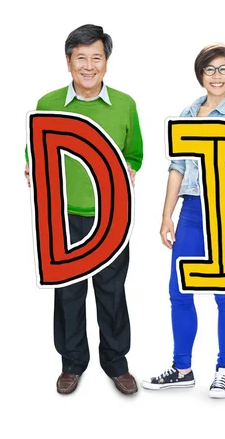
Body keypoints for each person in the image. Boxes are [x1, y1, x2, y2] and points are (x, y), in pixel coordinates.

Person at [25, 24, 143, 395]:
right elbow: (34, 148)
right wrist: (30, 164)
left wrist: (130, 168)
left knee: (111, 291)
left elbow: (135, 150)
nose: (89, 66)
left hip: (111, 216)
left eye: (97, 57)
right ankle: (72, 362)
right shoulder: (48, 103)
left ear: (106, 62)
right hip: (61, 217)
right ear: (68, 62)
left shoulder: (125, 104)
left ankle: (116, 362)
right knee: (69, 292)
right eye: (81, 58)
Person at [142, 43, 225, 398]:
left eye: (223, 69)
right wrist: (167, 216)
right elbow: (177, 168)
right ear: (200, 75)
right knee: (179, 291)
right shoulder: (188, 113)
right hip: (192, 211)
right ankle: (182, 368)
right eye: (210, 70)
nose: (217, 76)